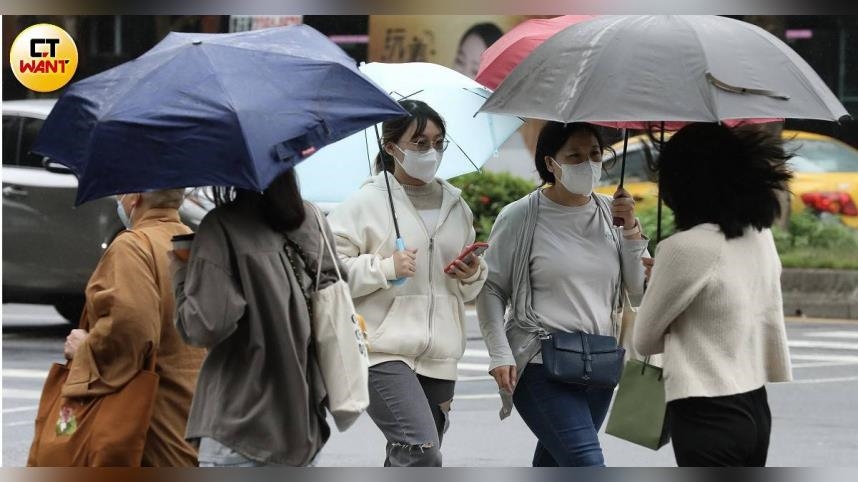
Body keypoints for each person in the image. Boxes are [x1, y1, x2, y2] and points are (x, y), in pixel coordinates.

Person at [476, 121, 650, 467]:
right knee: (586, 463)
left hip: (599, 363)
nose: (587, 163)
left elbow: (637, 289)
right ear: (550, 163)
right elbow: (491, 287)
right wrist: (499, 353)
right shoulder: (521, 216)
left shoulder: (610, 214)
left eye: (595, 154)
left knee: (556, 464)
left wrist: (630, 229)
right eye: (574, 155)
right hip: (541, 363)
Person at [326, 99, 487, 467]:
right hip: (381, 350)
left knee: (410, 458)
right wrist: (384, 267)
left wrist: (472, 273)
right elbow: (328, 273)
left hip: (440, 355)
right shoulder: (363, 204)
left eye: (437, 142)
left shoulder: (456, 206)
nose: (430, 151)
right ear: (391, 147)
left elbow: (468, 287)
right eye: (419, 142)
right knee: (422, 450)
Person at [633, 122, 794, 467]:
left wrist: (660, 280)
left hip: (705, 411)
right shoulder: (760, 234)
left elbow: (644, 340)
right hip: (754, 406)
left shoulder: (683, 248)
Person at [171, 169, 342, 467]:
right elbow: (334, 290)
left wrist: (183, 273)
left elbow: (206, 326)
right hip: (302, 419)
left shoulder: (222, 226)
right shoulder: (312, 219)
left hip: (240, 421)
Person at [61, 188, 206, 466]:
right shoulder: (191, 241)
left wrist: (84, 351)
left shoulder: (133, 245)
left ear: (135, 197)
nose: (119, 201)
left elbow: (130, 326)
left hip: (147, 415)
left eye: (120, 195)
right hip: (190, 407)